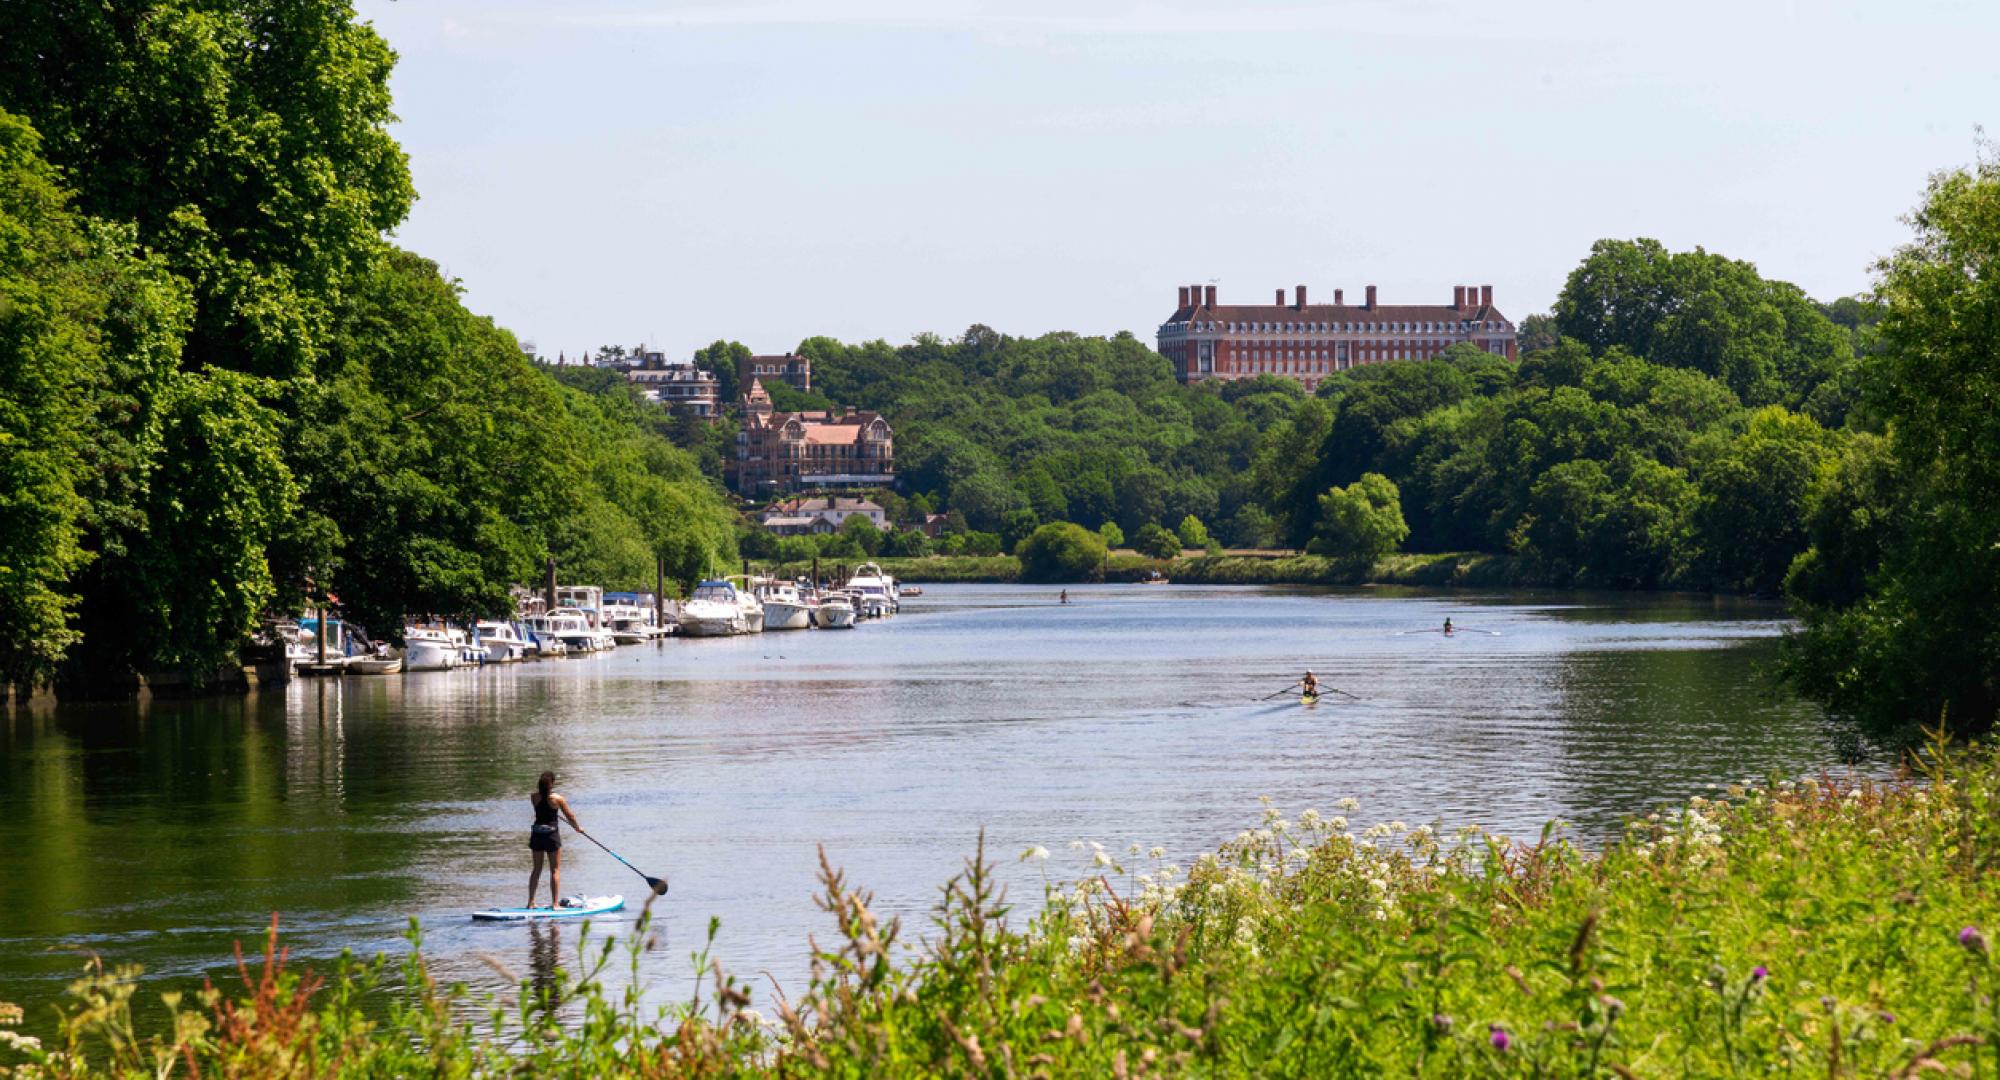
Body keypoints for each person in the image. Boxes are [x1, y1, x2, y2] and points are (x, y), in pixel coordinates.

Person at [528, 770, 584, 909]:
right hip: (551, 836)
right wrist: (578, 828)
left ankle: (531, 902)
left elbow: (540, 811)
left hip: (537, 834)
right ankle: (555, 904)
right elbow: (570, 817)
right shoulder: (558, 799)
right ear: (552, 784)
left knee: (536, 869)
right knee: (555, 870)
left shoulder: (533, 796)